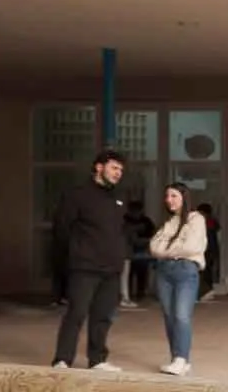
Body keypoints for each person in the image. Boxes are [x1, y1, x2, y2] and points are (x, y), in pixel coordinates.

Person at [51, 149, 130, 372]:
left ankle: (98, 360)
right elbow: (62, 229)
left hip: (112, 268)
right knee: (76, 313)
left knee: (103, 315)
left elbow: (119, 231)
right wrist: (74, 255)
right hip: (84, 267)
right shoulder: (77, 194)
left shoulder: (119, 197)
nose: (118, 173)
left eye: (121, 170)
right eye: (114, 168)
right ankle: (62, 359)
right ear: (99, 167)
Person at [148, 183, 208, 376]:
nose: (169, 200)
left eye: (174, 196)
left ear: (184, 197)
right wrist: (174, 248)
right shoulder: (169, 221)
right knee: (169, 315)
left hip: (186, 269)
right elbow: (153, 247)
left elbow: (191, 247)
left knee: (182, 315)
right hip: (164, 271)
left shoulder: (196, 219)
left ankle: (181, 359)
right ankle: (178, 359)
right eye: (167, 196)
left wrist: (167, 249)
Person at [121, 200, 155, 308]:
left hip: (140, 251)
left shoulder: (146, 221)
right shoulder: (124, 221)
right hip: (127, 251)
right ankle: (126, 296)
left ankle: (138, 294)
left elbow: (151, 233)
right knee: (126, 275)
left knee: (141, 273)